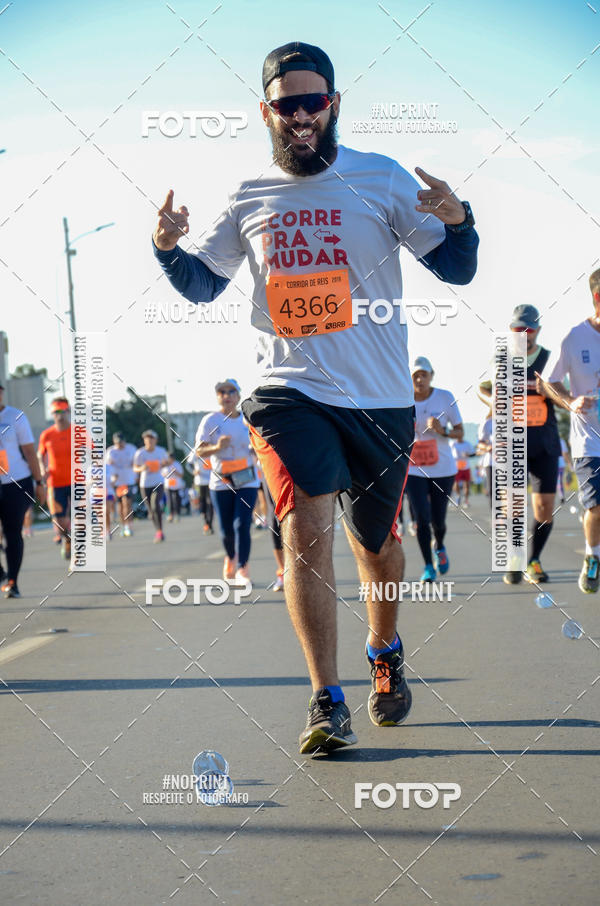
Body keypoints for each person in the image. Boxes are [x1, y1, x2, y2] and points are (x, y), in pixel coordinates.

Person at [152, 42, 478, 754]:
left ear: (333, 105)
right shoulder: (248, 195)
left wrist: (460, 221)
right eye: (287, 105)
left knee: (377, 545)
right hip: (286, 392)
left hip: (380, 398)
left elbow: (456, 269)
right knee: (303, 531)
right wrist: (168, 250)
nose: (301, 116)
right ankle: (326, 701)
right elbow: (204, 284)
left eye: (313, 102)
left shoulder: (379, 177)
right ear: (265, 111)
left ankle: (384, 649)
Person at [481, 305, 561, 585]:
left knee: (544, 508)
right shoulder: (502, 359)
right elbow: (485, 389)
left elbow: (564, 394)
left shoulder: (549, 359)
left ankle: (534, 560)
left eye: (529, 330)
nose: (523, 335)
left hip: (544, 443)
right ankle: (515, 557)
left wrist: (549, 391)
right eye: (518, 330)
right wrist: (493, 403)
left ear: (537, 331)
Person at [539, 269, 600, 593]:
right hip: (590, 443)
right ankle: (593, 556)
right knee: (596, 507)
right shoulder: (575, 338)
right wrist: (571, 401)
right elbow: (548, 382)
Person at [195, 380, 260, 583]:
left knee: (242, 524)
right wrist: (217, 448)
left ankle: (243, 568)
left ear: (238, 396)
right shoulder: (210, 421)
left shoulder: (247, 420)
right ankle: (231, 557)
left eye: (231, 391)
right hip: (221, 481)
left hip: (247, 479)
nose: (227, 395)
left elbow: (261, 443)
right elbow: (199, 451)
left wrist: (255, 450)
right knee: (226, 530)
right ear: (217, 397)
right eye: (222, 392)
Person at [405, 358, 464, 582]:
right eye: (415, 375)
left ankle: (439, 545)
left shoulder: (445, 397)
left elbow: (459, 431)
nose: (420, 379)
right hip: (415, 469)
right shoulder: (402, 399)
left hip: (443, 469)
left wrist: (442, 430)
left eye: (424, 375)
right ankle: (428, 566)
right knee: (421, 517)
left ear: (431, 376)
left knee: (438, 521)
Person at [0, 383, 45, 597]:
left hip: (16, 482)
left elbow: (29, 451)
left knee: (12, 532)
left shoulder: (15, 417)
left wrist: (39, 482)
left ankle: (12, 581)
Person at [38, 397, 72, 562]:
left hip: (77, 482)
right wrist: (42, 468)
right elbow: (40, 454)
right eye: (55, 412)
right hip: (55, 483)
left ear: (68, 411)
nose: (58, 415)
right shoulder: (47, 435)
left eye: (61, 411)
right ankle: (67, 539)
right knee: (59, 521)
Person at [133, 430, 168, 542]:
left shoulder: (161, 451)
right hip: (145, 484)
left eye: (151, 438)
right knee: (151, 511)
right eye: (147, 438)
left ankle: (160, 531)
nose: (149, 440)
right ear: (144, 440)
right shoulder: (140, 453)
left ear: (155, 440)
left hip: (158, 482)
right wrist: (141, 468)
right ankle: (158, 530)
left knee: (155, 505)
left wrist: (164, 464)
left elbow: (167, 462)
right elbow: (135, 467)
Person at [105, 431, 137, 537]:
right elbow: (107, 467)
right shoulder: (110, 451)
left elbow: (136, 463)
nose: (119, 444)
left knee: (127, 503)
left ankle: (129, 525)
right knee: (120, 505)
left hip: (129, 480)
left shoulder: (131, 449)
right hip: (117, 482)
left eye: (121, 442)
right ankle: (124, 525)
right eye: (117, 442)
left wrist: (137, 475)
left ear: (124, 441)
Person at [186, 449, 214, 534]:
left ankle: (210, 524)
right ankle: (206, 523)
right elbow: (188, 464)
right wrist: (193, 471)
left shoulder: (213, 447)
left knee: (210, 503)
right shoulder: (195, 451)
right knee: (203, 503)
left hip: (212, 481)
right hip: (200, 482)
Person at [451, 436, 475, 507]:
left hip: (466, 467)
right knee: (455, 483)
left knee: (467, 484)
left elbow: (474, 453)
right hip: (456, 467)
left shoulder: (467, 444)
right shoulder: (452, 444)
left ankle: (466, 500)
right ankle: (458, 496)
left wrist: (468, 455)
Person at [162, 453, 184, 522]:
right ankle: (170, 515)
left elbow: (181, 475)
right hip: (168, 485)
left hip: (177, 485)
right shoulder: (165, 465)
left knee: (177, 500)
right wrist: (166, 474)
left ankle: (177, 515)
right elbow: (162, 474)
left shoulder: (177, 464)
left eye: (171, 458)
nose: (169, 460)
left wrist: (175, 471)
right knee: (169, 501)